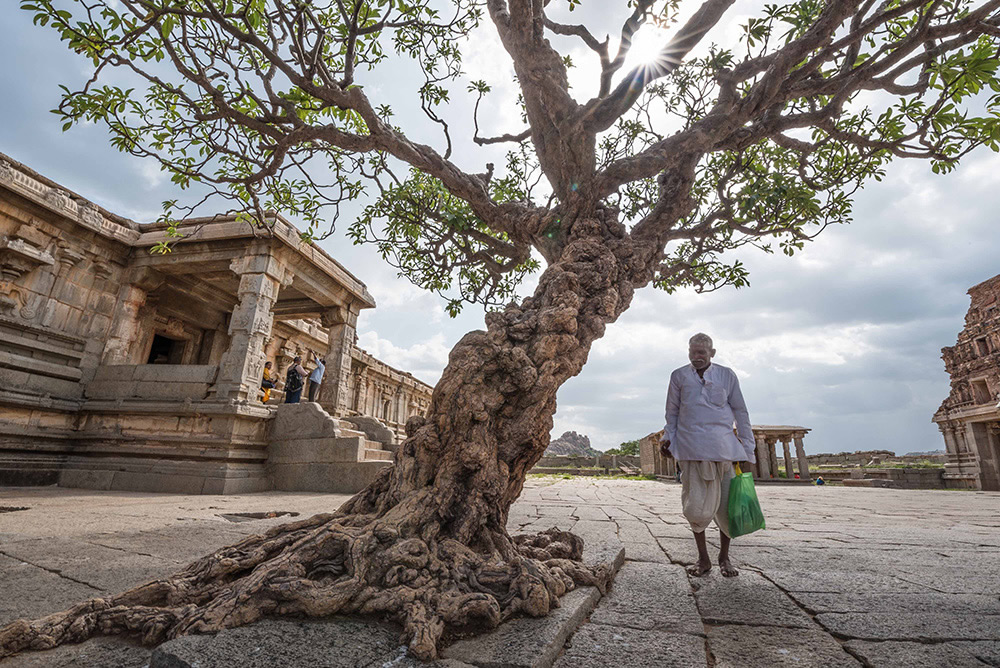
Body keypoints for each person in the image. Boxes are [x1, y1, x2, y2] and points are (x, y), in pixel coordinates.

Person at [660, 333, 756, 578]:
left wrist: (747, 449)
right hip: (692, 450)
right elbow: (672, 413)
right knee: (696, 507)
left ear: (712, 353)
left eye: (702, 352)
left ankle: (724, 557)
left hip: (723, 450)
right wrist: (667, 438)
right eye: (693, 352)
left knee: (726, 508)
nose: (697, 357)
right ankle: (703, 559)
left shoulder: (726, 375)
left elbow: (740, 412)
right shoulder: (679, 376)